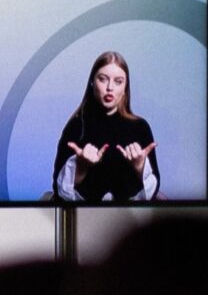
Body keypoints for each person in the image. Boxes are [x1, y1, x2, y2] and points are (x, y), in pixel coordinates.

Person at [52, 51, 159, 201]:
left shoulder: (140, 128)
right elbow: (59, 191)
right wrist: (80, 167)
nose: (110, 87)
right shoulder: (76, 126)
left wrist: (140, 167)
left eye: (118, 81)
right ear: (92, 82)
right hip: (85, 214)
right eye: (103, 79)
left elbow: (153, 191)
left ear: (125, 87)